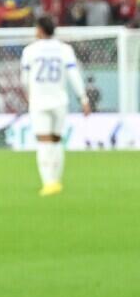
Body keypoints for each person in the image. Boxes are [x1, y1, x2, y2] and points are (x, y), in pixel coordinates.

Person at [21, 14, 92, 196]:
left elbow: (24, 79)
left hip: (39, 100)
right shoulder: (64, 49)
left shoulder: (30, 51)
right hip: (60, 100)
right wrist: (83, 98)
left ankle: (48, 183)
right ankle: (57, 181)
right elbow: (74, 75)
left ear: (40, 30)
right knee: (57, 140)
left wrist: (28, 94)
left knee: (43, 142)